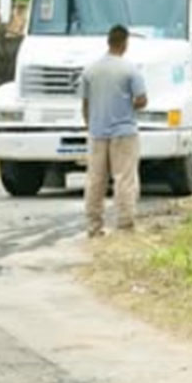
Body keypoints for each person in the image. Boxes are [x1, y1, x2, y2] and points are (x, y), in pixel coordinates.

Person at [80, 24, 147, 237]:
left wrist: (90, 124)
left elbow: (85, 103)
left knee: (95, 180)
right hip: (124, 132)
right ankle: (125, 225)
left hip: (97, 132)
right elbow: (142, 100)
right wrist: (129, 105)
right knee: (124, 178)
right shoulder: (130, 69)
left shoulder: (90, 70)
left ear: (108, 42)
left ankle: (94, 226)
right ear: (125, 43)